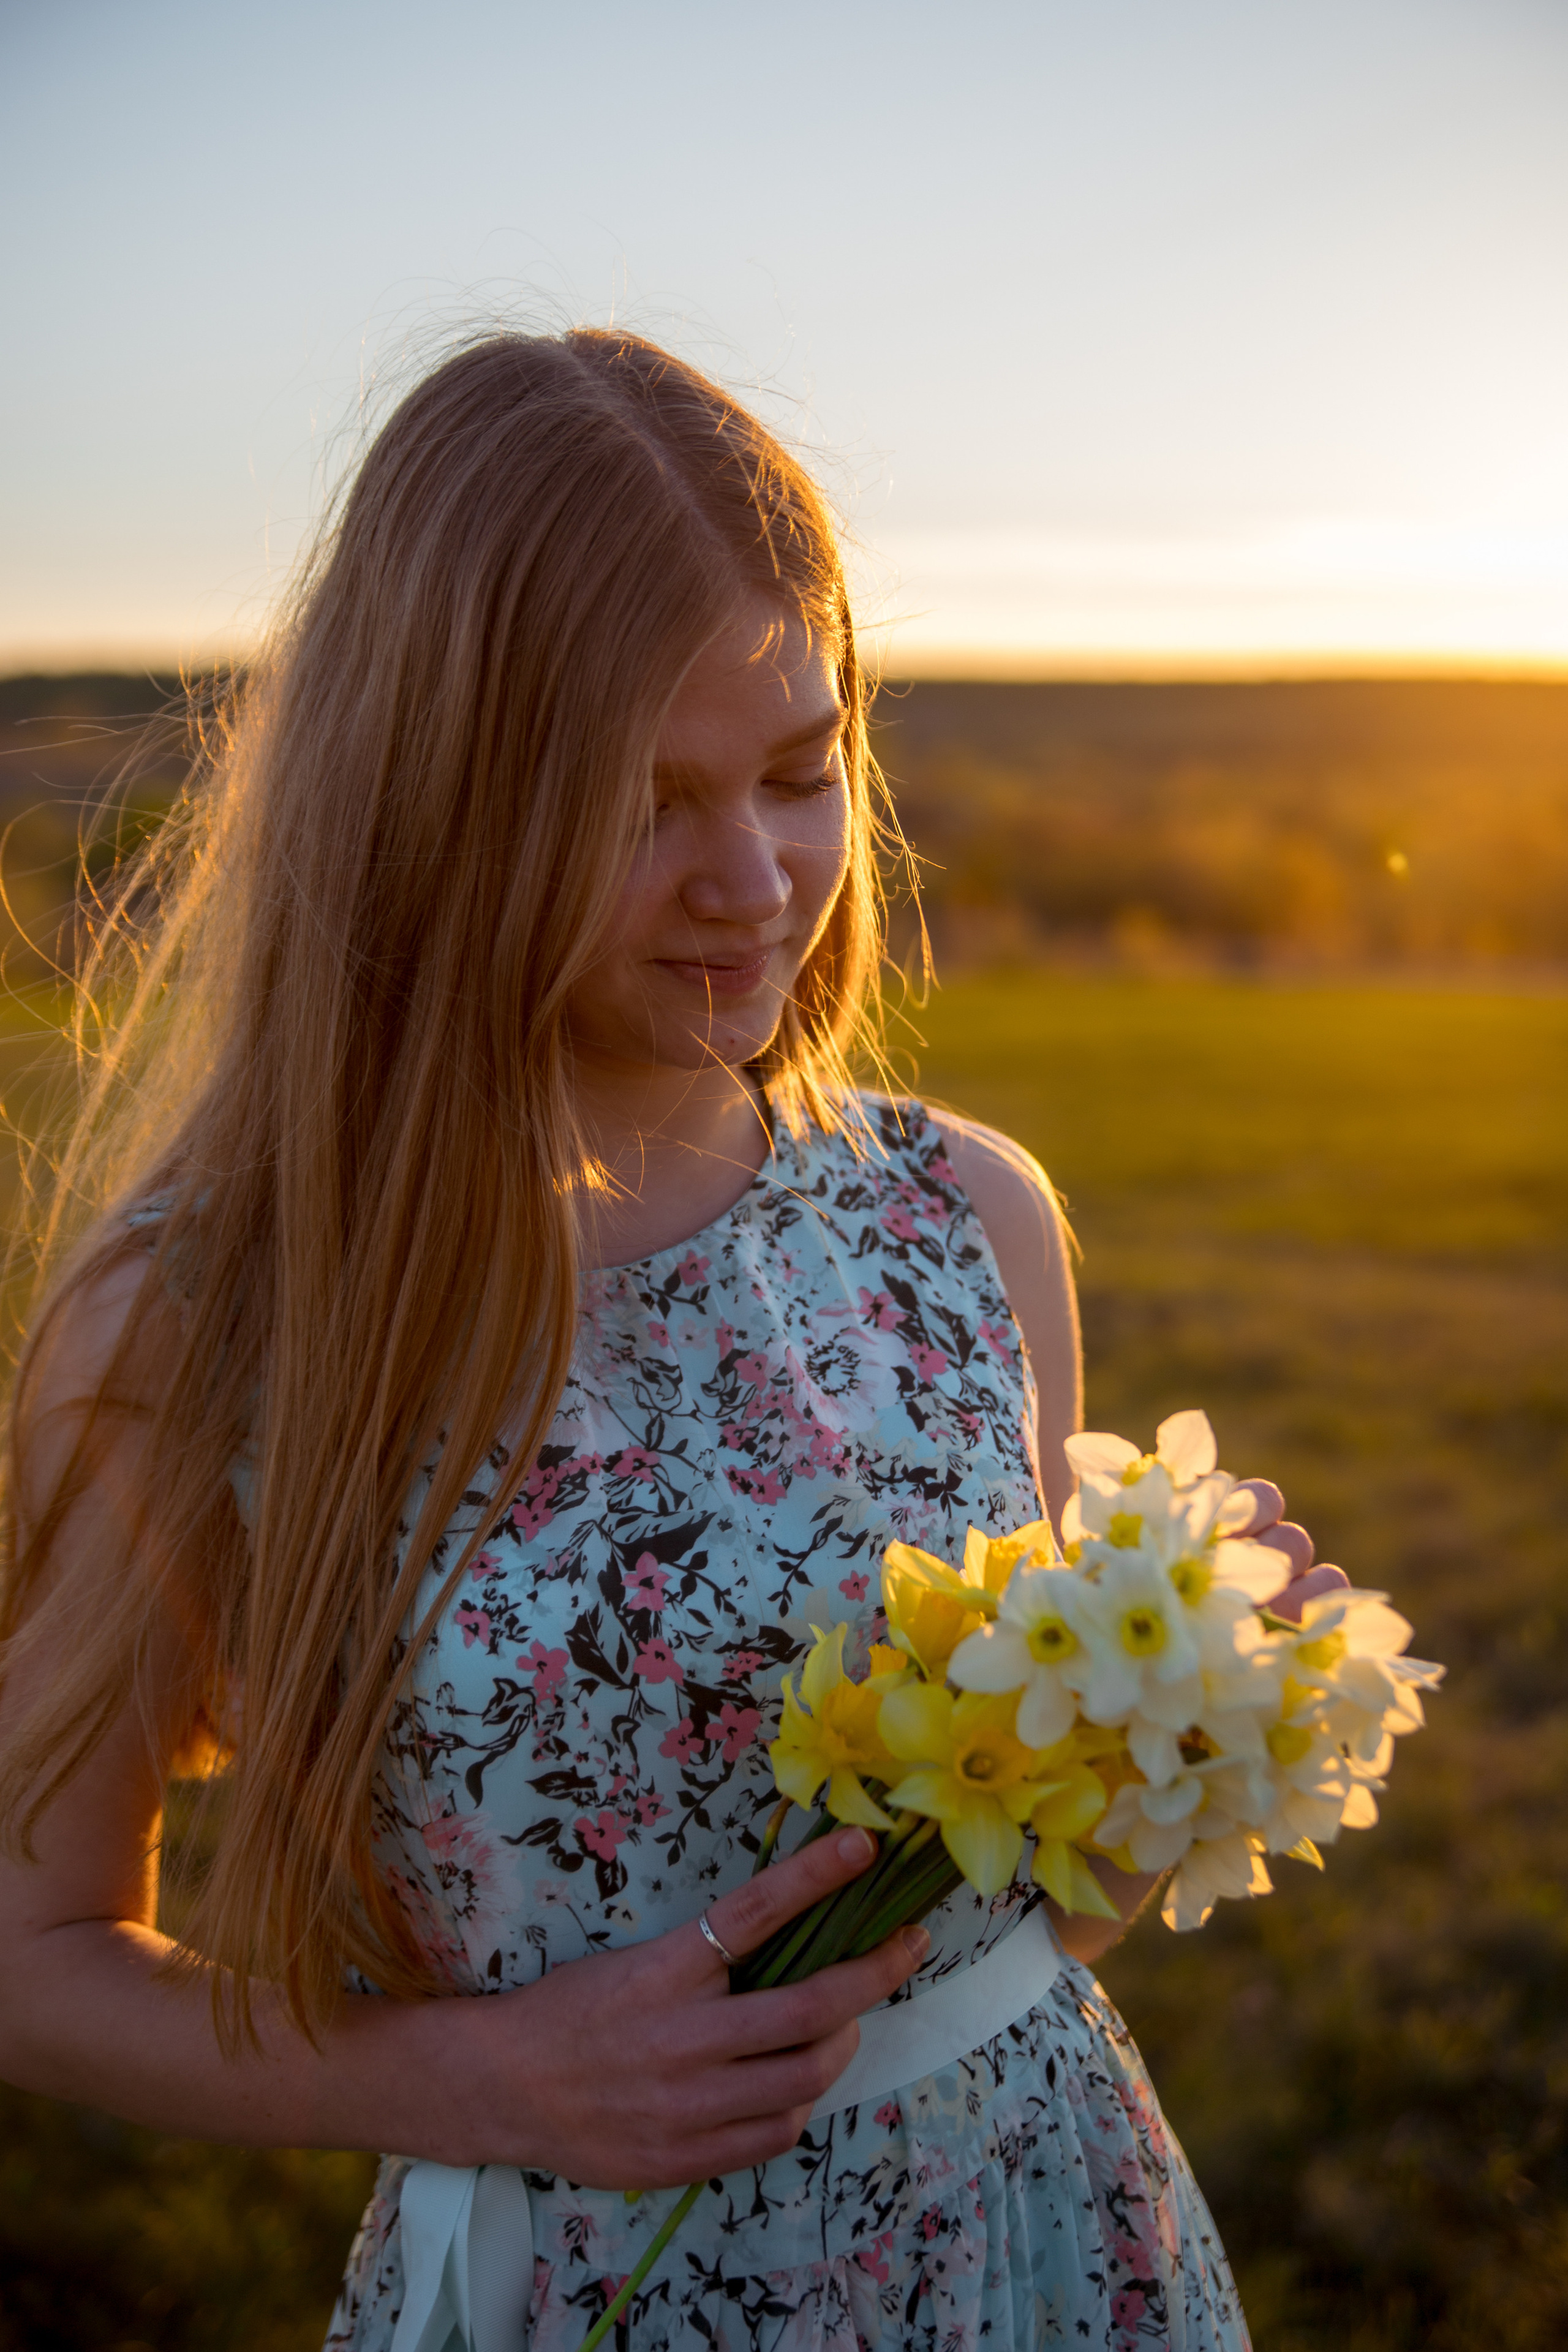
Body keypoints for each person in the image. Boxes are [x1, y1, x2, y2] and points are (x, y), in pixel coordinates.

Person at [0, 330, 1341, 2352]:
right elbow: (30, 1946)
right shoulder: (207, 1312)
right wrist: (466, 2077)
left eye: (802, 771)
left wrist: (1179, 1732)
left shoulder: (964, 1216)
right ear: (439, 807)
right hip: (583, 2292)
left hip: (1049, 2245)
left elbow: (1023, 1911)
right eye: (646, 805)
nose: (756, 880)